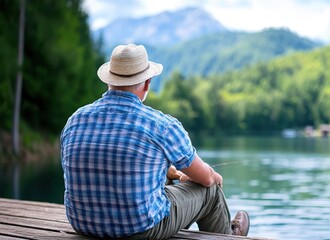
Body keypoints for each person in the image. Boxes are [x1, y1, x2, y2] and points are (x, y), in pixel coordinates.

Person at [60, 44, 250, 239]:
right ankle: (229, 235)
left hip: (83, 224)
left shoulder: (75, 120)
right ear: (147, 83)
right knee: (210, 190)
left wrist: (173, 173)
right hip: (140, 230)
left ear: (109, 80)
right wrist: (213, 176)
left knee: (167, 178)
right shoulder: (161, 125)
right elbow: (206, 179)